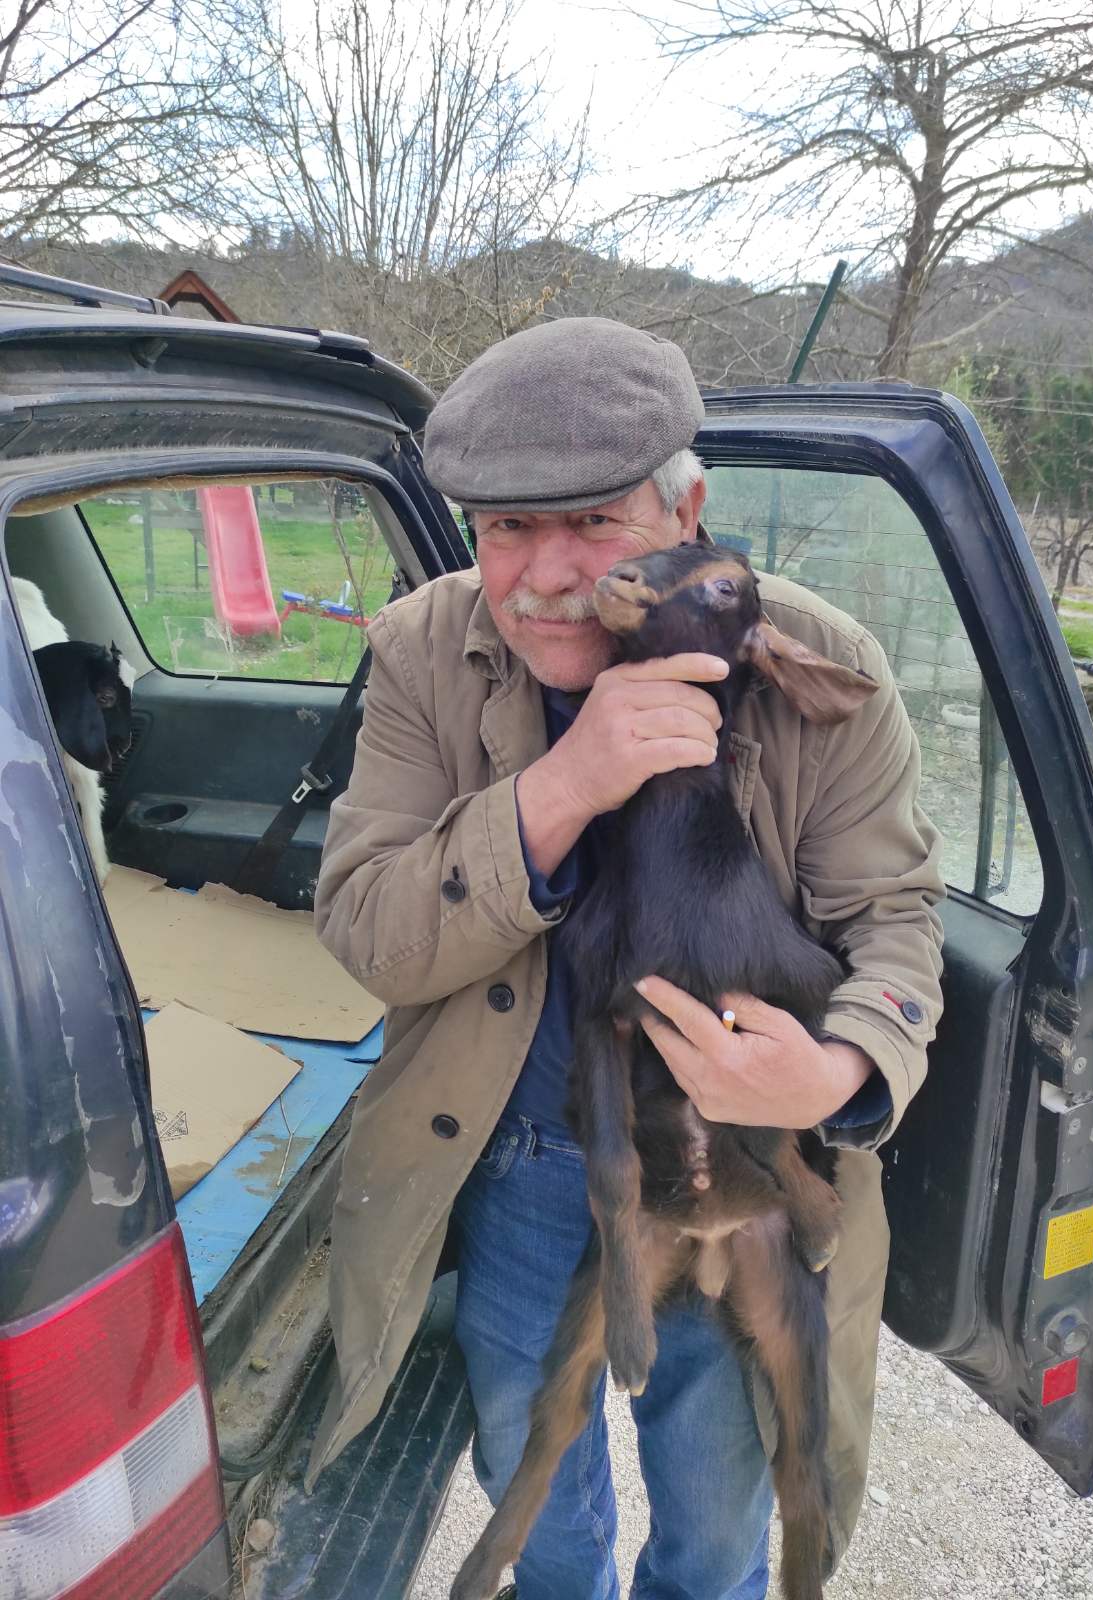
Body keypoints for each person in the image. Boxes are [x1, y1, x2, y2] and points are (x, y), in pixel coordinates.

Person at [308, 317, 945, 1600]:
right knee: (532, 1471)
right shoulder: (424, 654)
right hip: (515, 1153)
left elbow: (896, 918)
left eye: (596, 521)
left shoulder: (818, 664)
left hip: (744, 1156)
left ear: (685, 510)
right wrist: (562, 788)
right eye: (505, 527)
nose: (547, 577)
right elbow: (368, 926)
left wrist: (835, 1072)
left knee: (715, 1509)